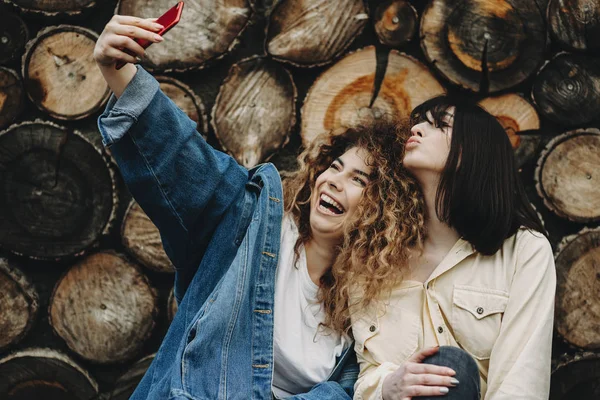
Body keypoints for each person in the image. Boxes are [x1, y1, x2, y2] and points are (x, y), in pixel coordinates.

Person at [93, 15, 424, 400]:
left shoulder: (368, 308)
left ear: (386, 212)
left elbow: (348, 392)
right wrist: (118, 72)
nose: (333, 180)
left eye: (358, 180)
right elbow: (187, 163)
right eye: (335, 167)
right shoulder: (250, 220)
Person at [338, 96, 556, 400]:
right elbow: (368, 371)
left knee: (452, 366)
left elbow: (521, 383)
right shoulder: (370, 257)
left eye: (440, 125)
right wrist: (387, 386)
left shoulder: (524, 251)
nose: (417, 130)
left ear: (472, 151)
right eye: (419, 122)